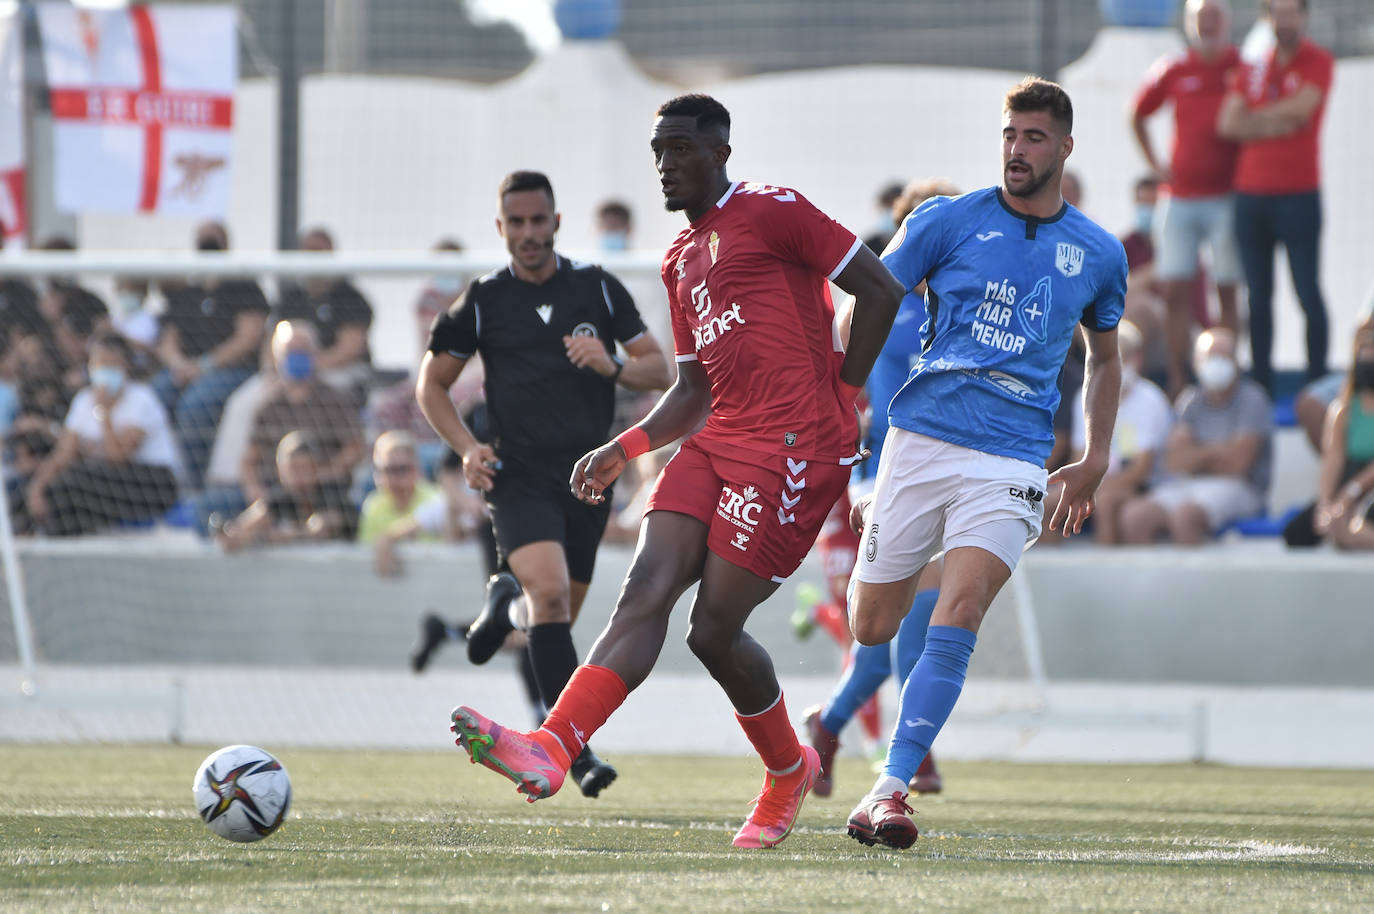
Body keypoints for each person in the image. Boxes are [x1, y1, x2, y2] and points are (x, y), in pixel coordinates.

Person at [443, 94, 903, 849]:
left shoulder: (775, 209)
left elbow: (878, 290)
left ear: (720, 152)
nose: (666, 163)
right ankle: (552, 747)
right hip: (720, 437)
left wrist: (843, 395)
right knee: (644, 591)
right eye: (658, 151)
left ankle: (789, 770)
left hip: (795, 448)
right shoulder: (678, 260)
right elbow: (692, 391)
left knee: (713, 632)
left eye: (681, 148)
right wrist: (623, 448)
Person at [842, 77, 1127, 850]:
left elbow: (1105, 361)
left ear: (1065, 147)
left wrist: (1096, 456)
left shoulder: (1099, 253)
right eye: (1009, 134)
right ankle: (860, 738)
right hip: (921, 440)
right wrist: (838, 392)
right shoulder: (945, 221)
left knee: (960, 611)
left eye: (1035, 137)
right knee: (872, 623)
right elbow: (865, 299)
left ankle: (890, 789)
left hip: (1013, 457)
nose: (1017, 149)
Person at [417, 170, 672, 799]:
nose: (530, 233)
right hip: (517, 476)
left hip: (588, 476)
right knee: (553, 600)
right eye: (518, 223)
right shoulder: (481, 300)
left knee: (547, 623)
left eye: (540, 221)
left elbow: (660, 367)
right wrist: (468, 448)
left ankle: (503, 599)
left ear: (557, 223)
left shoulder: (597, 289)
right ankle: (573, 755)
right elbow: (432, 384)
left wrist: (611, 363)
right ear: (501, 228)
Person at [1217, 0, 1334, 392]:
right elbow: (1229, 124)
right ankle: (1262, 385)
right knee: (1258, 297)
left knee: (1307, 292)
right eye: (1277, 13)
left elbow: (1302, 111)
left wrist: (1257, 118)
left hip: (1299, 194)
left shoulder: (1317, 60)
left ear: (1304, 15)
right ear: (1267, 17)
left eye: (1291, 12)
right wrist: (1277, 121)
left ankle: (1319, 383)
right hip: (1251, 197)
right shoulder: (1253, 64)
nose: (1284, 21)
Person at [1132, 0, 1243, 398]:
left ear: (1226, 22)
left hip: (1226, 199)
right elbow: (1138, 113)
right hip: (1179, 198)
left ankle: (1227, 373)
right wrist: (1156, 164)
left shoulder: (1242, 67)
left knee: (1227, 289)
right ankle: (1179, 378)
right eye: (1201, 19)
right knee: (1175, 290)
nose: (1208, 26)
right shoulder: (1175, 68)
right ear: (1190, 25)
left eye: (1215, 18)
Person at [1119, 328, 1272, 544]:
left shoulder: (1253, 399)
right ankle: (1147, 578)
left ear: (1237, 362)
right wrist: (1220, 450)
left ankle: (1189, 578)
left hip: (1243, 488)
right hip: (1189, 484)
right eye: (1212, 357)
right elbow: (1174, 462)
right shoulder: (1191, 400)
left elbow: (1239, 465)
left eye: (1224, 357)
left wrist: (1197, 454)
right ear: (1196, 363)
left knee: (1185, 516)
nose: (1218, 363)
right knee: (1135, 516)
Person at [20, 332, 181, 535]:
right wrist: (38, 486)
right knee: (56, 487)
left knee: (78, 478)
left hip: (152, 482)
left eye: (111, 365)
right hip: (103, 481)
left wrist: (105, 413)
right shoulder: (83, 399)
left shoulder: (142, 398)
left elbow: (117, 458)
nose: (104, 371)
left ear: (126, 367)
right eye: (99, 364)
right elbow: (64, 453)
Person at [153, 221, 270, 490]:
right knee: (155, 396)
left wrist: (205, 365)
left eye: (213, 243)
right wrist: (178, 364)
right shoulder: (189, 292)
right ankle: (160, 490)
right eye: (203, 243)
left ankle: (195, 489)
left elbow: (248, 337)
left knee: (195, 406)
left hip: (232, 371)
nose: (208, 248)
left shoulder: (243, 285)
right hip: (188, 370)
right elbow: (168, 339)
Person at [238, 321, 365, 511]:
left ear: (315, 354)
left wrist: (321, 474)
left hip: (326, 491)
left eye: (303, 350)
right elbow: (249, 459)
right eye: (291, 351)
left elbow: (355, 448)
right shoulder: (269, 406)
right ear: (277, 357)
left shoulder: (334, 400)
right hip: (280, 491)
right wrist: (255, 491)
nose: (297, 357)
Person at [1066, 320, 1173, 544]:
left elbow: (1141, 470)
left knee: (1104, 502)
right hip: (1097, 481)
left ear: (1138, 360)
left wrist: (1092, 488)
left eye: (1124, 357)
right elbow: (1078, 456)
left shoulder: (1151, 400)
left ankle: (1102, 573)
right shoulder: (1083, 397)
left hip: (1146, 487)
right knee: (1045, 505)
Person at [1283, 317, 1374, 549]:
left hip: (1365, 486)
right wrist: (1326, 504)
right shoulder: (1343, 410)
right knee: (1297, 534)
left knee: (1359, 526)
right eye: (1365, 349)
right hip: (1349, 482)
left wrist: (1350, 494)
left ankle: (1353, 538)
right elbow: (1333, 460)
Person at [212, 430, 358, 550]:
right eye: (292, 469)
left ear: (316, 468)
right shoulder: (280, 498)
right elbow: (243, 528)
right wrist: (231, 534)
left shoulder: (332, 493)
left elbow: (318, 531)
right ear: (280, 470)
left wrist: (262, 537)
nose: (298, 477)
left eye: (304, 469)